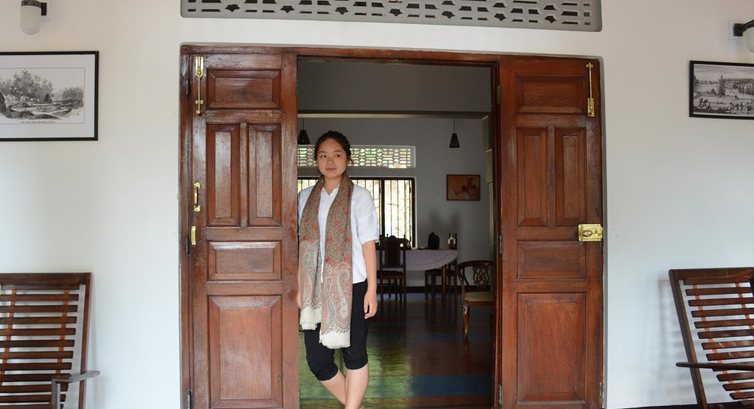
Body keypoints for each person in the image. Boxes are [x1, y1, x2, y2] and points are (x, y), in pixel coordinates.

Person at [297, 130, 379, 409]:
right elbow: (302, 246)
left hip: (352, 284)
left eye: (336, 155)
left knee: (354, 355)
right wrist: (300, 287)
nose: (329, 161)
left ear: (347, 159)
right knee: (317, 361)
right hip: (315, 289)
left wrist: (372, 290)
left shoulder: (360, 197)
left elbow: (368, 244)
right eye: (323, 156)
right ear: (316, 161)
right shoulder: (305, 197)